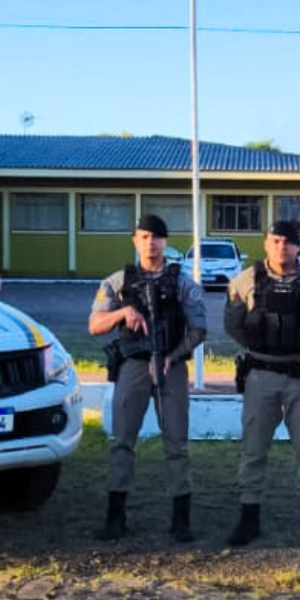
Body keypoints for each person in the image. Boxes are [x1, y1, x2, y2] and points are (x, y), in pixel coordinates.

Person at [88, 214, 208, 543]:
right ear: (134, 241)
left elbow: (199, 329)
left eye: (156, 237)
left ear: (165, 242)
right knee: (122, 441)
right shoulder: (116, 282)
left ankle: (181, 520)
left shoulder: (183, 283)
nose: (150, 243)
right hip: (134, 365)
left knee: (177, 444)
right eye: (143, 236)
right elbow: (95, 325)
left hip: (172, 367)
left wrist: (172, 355)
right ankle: (116, 517)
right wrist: (122, 313)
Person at [223, 219, 300, 548]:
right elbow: (232, 323)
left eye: (287, 242)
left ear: (297, 247)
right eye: (275, 241)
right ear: (266, 244)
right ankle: (248, 519)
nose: (281, 247)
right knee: (253, 450)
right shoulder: (246, 280)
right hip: (261, 376)